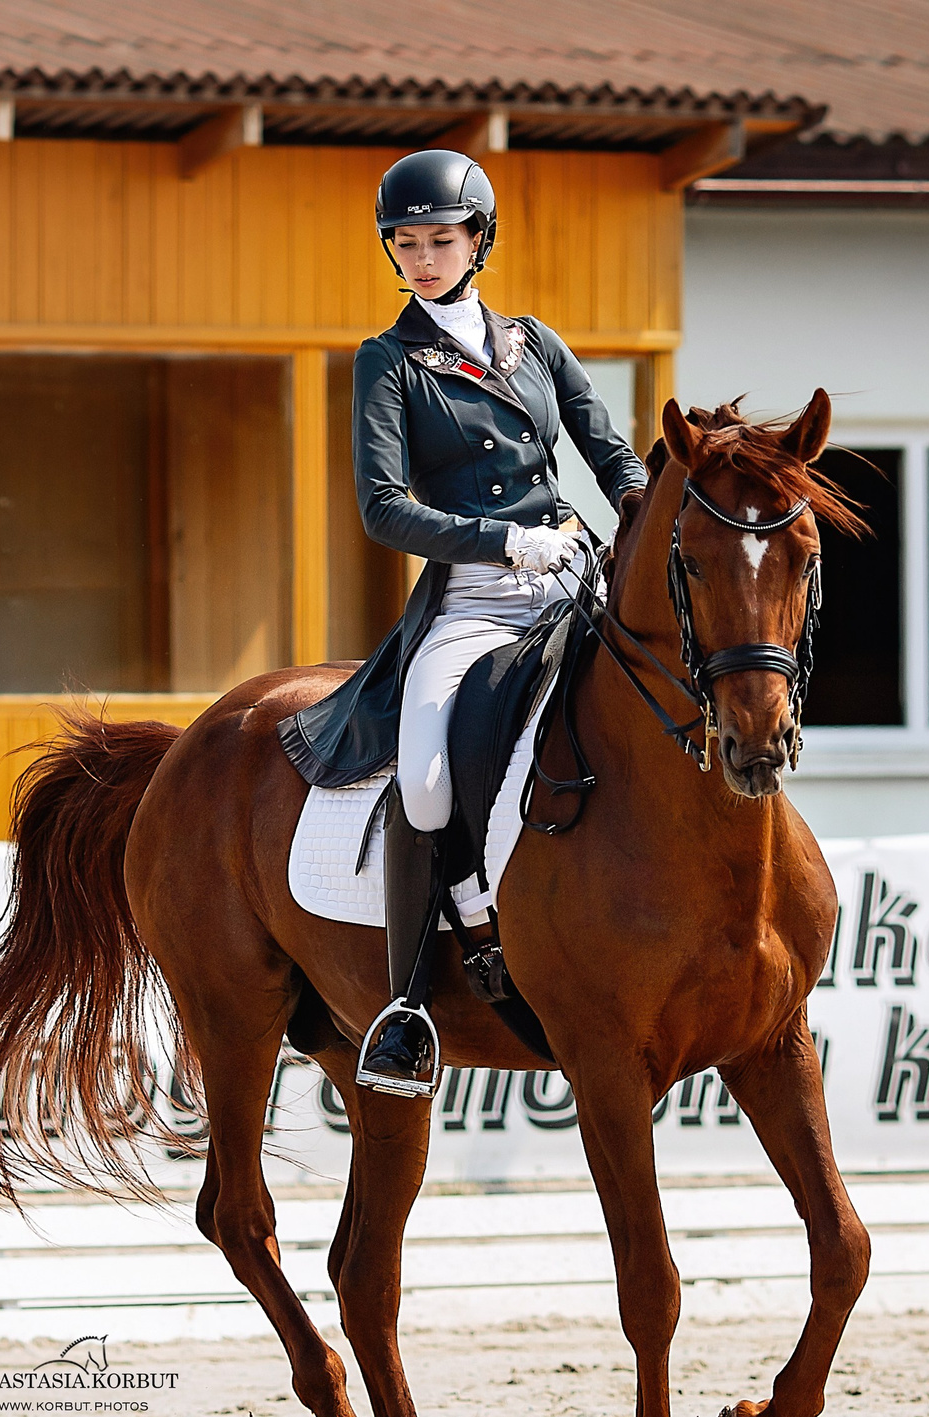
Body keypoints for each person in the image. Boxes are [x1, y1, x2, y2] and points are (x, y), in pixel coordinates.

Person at [277, 148, 648, 1097]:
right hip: (475, 598)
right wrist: (503, 540)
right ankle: (406, 1008)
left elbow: (610, 454)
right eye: (406, 244)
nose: (423, 259)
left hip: (572, 577)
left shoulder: (535, 344)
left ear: (478, 240)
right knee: (428, 776)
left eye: (440, 241)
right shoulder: (390, 361)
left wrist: (638, 520)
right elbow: (383, 508)